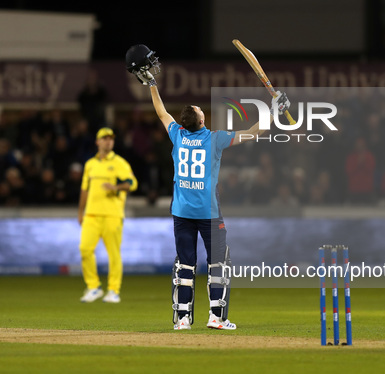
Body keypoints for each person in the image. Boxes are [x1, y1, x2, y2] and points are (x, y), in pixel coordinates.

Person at [127, 44, 289, 330]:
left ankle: (183, 319)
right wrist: (274, 112)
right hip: (208, 213)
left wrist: (152, 85)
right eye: (202, 110)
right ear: (201, 120)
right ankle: (216, 317)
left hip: (181, 212)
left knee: (185, 266)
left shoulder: (177, 135)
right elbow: (253, 133)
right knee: (218, 265)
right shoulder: (214, 139)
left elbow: (162, 112)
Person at [77, 127, 138, 303]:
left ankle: (113, 290)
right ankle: (94, 287)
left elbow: (133, 183)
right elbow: (84, 190)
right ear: (97, 142)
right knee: (85, 250)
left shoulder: (120, 163)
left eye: (111, 138)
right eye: (104, 138)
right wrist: (80, 212)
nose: (108, 141)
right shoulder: (90, 164)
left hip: (112, 214)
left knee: (114, 254)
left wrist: (116, 188)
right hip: (91, 215)